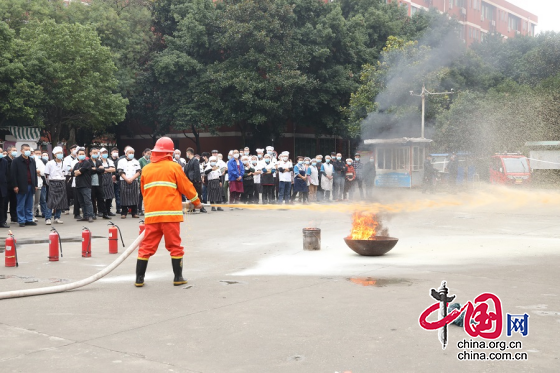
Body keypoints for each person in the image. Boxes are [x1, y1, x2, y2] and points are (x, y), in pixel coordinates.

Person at [135, 137, 202, 287]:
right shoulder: (174, 167)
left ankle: (139, 279)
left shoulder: (146, 168)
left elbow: (143, 191)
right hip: (170, 215)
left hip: (152, 215)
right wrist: (196, 202)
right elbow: (186, 187)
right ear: (169, 152)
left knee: (146, 247)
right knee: (175, 246)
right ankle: (178, 277)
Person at [11, 144, 38, 227]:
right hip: (21, 185)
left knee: (29, 204)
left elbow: (34, 173)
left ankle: (29, 219)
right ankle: (21, 220)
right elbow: (13, 174)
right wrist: (15, 186)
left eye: (29, 150)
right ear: (21, 151)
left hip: (31, 185)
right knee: (21, 204)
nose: (28, 151)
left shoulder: (32, 160)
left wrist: (35, 184)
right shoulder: (16, 161)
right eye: (26, 150)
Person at [43, 146, 68, 224]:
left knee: (61, 200)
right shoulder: (50, 163)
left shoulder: (65, 163)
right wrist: (49, 183)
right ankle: (48, 218)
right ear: (54, 154)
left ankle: (57, 217)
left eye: (61, 153)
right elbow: (46, 174)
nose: (60, 154)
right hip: (53, 182)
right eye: (58, 153)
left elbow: (66, 174)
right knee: (50, 201)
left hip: (62, 182)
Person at [117, 147, 141, 218]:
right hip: (124, 180)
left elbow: (139, 171)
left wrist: (132, 178)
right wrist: (126, 179)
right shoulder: (121, 161)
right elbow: (120, 171)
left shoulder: (136, 161)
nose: (131, 154)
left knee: (134, 197)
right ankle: (123, 213)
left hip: (134, 181)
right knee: (124, 197)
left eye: (132, 153)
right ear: (126, 153)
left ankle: (134, 212)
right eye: (129, 153)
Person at [72, 148, 94, 222]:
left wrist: (77, 171)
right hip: (78, 185)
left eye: (83, 154)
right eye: (80, 154)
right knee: (81, 202)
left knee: (87, 201)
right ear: (77, 155)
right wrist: (77, 171)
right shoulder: (76, 164)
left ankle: (90, 215)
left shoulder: (87, 163)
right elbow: (73, 174)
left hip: (86, 185)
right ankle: (85, 216)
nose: (81, 155)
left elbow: (80, 171)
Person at [184, 147, 207, 213]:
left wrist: (197, 180)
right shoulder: (190, 161)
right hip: (190, 180)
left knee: (198, 194)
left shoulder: (195, 160)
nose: (186, 154)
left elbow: (197, 170)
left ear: (189, 153)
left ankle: (202, 208)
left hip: (195, 180)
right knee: (192, 195)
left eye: (187, 153)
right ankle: (192, 208)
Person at [89, 147, 109, 219]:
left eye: (96, 153)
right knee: (92, 199)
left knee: (101, 198)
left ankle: (104, 213)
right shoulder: (88, 162)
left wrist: (95, 169)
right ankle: (94, 213)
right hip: (91, 184)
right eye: (94, 153)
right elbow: (89, 171)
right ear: (90, 153)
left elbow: (102, 170)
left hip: (99, 183)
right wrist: (98, 169)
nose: (95, 154)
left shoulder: (99, 161)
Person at [100, 148, 116, 216]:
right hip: (101, 180)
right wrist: (108, 169)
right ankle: (102, 211)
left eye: (106, 152)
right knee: (101, 196)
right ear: (100, 154)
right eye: (103, 153)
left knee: (110, 196)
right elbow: (99, 169)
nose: (105, 154)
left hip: (109, 180)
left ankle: (108, 210)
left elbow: (113, 169)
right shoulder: (98, 161)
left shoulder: (109, 161)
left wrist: (104, 170)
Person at [63, 144, 79, 216]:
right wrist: (77, 170)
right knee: (68, 192)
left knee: (76, 192)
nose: (75, 150)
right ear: (70, 150)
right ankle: (66, 208)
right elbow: (68, 168)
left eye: (76, 149)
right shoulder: (67, 159)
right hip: (69, 176)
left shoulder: (78, 158)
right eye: (73, 149)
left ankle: (78, 207)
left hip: (77, 176)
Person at [5, 146, 19, 223]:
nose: (15, 152)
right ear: (9, 151)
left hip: (15, 184)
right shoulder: (5, 160)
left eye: (16, 150)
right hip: (7, 185)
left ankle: (14, 217)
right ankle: (3, 219)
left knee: (14, 202)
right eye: (14, 150)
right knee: (5, 203)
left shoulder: (16, 160)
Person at [32, 148, 46, 221]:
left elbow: (43, 172)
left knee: (37, 201)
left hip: (38, 183)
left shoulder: (39, 161)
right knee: (31, 201)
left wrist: (38, 171)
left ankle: (33, 215)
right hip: (30, 184)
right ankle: (29, 215)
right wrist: (35, 171)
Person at [138, 148, 151, 215]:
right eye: (148, 153)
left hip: (149, 180)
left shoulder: (150, 161)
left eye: (150, 154)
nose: (149, 155)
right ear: (144, 153)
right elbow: (138, 171)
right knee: (141, 195)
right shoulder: (140, 160)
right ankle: (139, 209)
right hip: (142, 179)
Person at [0, 148, 9, 228]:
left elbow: (6, 174)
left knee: (2, 206)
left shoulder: (4, 161)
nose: (1, 153)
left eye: (1, 152)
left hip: (2, 187)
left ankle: (2, 222)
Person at [110, 147, 121, 214]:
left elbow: (120, 170)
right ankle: (108, 209)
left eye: (116, 152)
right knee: (109, 195)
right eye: (114, 151)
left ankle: (118, 209)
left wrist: (115, 175)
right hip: (109, 179)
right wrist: (111, 176)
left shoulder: (120, 160)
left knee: (117, 195)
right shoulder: (108, 160)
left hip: (118, 179)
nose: (115, 153)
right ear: (111, 152)